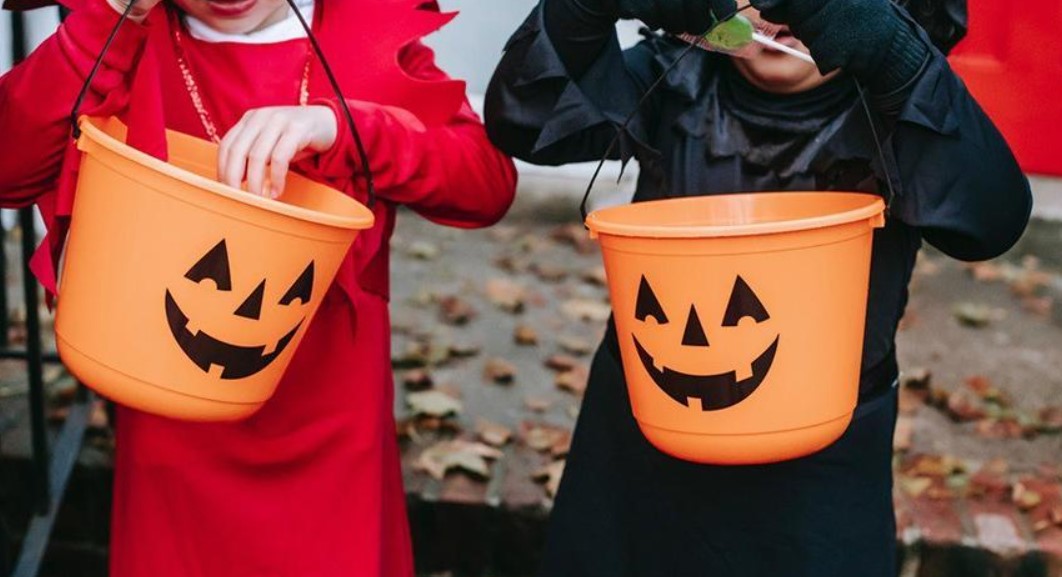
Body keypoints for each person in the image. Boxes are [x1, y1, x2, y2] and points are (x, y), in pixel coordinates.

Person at [485, 0, 1030, 574]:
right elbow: (527, 118)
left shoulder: (900, 104)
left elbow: (990, 219)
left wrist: (896, 58)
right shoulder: (672, 77)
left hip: (822, 464)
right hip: (644, 425)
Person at [0, 0, 516, 575]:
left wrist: (345, 125)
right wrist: (108, 18)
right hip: (173, 425)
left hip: (332, 420)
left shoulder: (361, 29)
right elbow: (9, 165)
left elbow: (486, 182)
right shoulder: (125, 33)